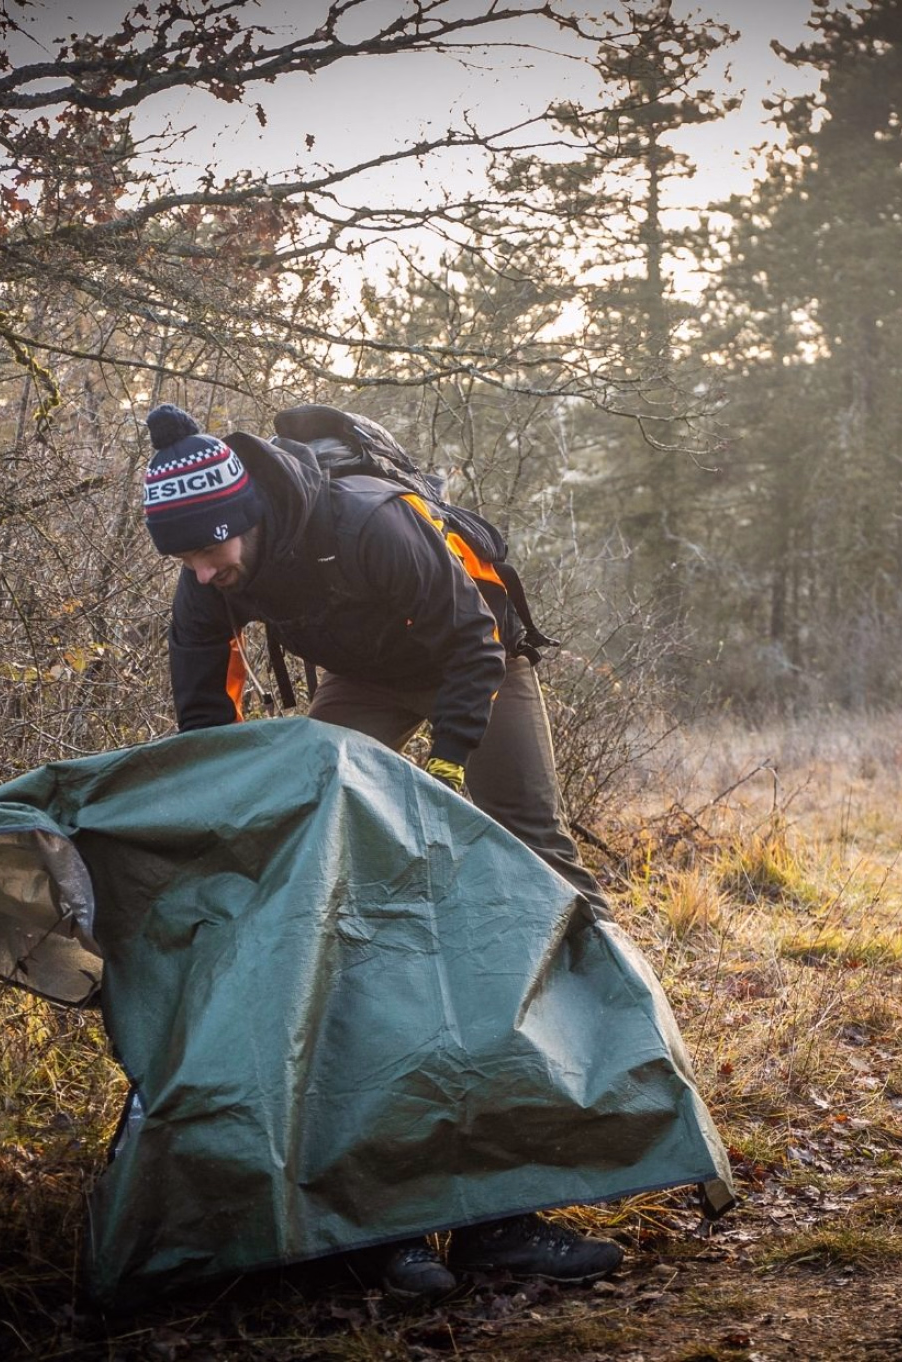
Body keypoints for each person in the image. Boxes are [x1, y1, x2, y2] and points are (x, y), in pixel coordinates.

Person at [142, 401, 623, 1298]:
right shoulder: (208, 571)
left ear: (239, 520)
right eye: (185, 562)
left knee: (531, 845)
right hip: (365, 675)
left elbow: (470, 641)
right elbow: (203, 703)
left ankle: (621, 1032)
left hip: (473, 659)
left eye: (207, 554)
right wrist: (224, 810)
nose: (201, 575)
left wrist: (441, 765)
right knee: (310, 829)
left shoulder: (369, 522)